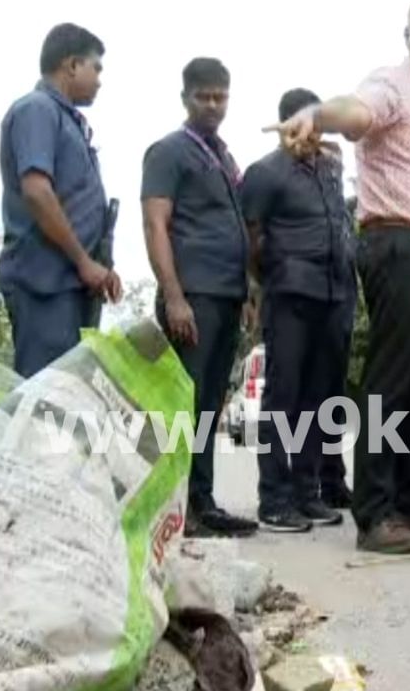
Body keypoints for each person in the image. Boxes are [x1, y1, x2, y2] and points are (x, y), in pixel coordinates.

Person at [266, 0, 410, 554]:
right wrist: (317, 114)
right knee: (394, 380)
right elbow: (356, 113)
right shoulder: (392, 84)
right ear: (407, 34)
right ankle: (376, 513)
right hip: (400, 245)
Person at [142, 58, 258, 538]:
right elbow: (155, 224)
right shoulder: (168, 152)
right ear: (185, 97)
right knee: (184, 405)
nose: (213, 105)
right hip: (193, 296)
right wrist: (174, 296)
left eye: (221, 97)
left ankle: (202, 501)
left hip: (228, 295)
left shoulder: (225, 156)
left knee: (210, 402)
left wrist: (250, 291)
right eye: (204, 96)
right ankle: (175, 506)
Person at [241, 88, 357, 533]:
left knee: (317, 399)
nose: (310, 134)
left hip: (334, 293)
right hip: (289, 292)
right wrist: (265, 280)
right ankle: (275, 498)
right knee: (283, 399)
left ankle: (309, 493)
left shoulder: (328, 168)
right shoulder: (265, 172)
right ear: (285, 124)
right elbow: (250, 238)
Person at [0, 23, 121, 378]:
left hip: (69, 284)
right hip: (44, 284)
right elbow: (37, 192)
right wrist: (84, 262)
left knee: (64, 404)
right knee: (43, 404)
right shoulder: (36, 110)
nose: (99, 80)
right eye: (96, 68)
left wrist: (99, 266)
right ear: (71, 65)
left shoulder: (69, 122)